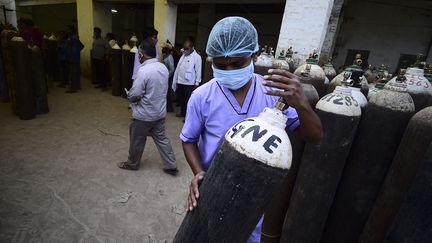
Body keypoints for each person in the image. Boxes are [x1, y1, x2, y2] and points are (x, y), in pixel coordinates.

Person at [180, 17, 323, 243]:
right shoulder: (202, 96)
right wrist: (199, 173)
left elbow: (314, 137)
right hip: (212, 189)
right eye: (220, 65)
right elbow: (189, 139)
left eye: (237, 64)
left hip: (253, 198)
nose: (229, 70)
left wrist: (302, 104)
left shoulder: (273, 93)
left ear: (255, 55)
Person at [118, 40, 178, 176]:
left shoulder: (143, 71)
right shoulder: (162, 67)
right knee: (162, 139)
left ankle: (132, 164)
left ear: (141, 55)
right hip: (159, 113)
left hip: (143, 115)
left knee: (137, 140)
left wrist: (130, 95)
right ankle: (171, 165)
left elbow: (136, 94)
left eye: (139, 54)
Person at [172, 36, 202, 118]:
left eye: (187, 48)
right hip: (180, 81)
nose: (185, 50)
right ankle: (182, 113)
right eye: (184, 48)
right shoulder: (184, 54)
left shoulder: (197, 57)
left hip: (189, 83)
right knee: (181, 99)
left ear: (192, 47)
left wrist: (197, 83)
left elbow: (198, 71)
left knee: (188, 101)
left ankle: (188, 117)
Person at [65, 25, 84, 93]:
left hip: (73, 59)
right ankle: (77, 86)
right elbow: (82, 46)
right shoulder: (73, 38)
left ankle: (73, 88)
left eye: (68, 29)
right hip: (75, 58)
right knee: (76, 73)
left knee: (73, 73)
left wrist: (73, 56)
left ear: (71, 30)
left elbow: (76, 48)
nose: (67, 31)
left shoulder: (73, 39)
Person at [162, 41, 175, 112]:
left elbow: (172, 69)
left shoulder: (170, 57)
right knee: (165, 93)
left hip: (168, 78)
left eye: (164, 48)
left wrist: (167, 76)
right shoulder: (165, 55)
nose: (163, 49)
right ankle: (166, 107)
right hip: (165, 77)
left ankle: (169, 108)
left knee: (167, 93)